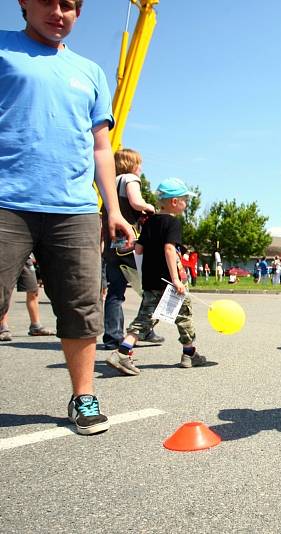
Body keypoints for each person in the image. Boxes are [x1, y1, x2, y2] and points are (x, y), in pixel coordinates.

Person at [0, 0, 136, 435]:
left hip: (74, 209)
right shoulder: (3, 49)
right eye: (49, 2)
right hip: (7, 201)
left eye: (71, 5)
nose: (60, 12)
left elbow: (101, 147)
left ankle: (84, 397)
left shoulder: (91, 71)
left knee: (81, 307)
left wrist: (112, 209)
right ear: (24, 3)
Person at [105, 178, 207, 375]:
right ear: (174, 202)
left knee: (145, 319)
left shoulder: (150, 222)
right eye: (185, 199)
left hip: (151, 280)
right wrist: (176, 279)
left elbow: (139, 249)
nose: (187, 203)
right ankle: (189, 354)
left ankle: (123, 352)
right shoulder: (173, 223)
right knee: (184, 316)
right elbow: (169, 249)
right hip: (170, 281)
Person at [100, 147, 163, 351]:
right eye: (139, 163)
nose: (141, 167)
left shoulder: (109, 185)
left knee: (115, 293)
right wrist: (150, 207)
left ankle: (112, 336)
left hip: (113, 245)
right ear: (131, 164)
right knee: (151, 288)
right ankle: (143, 329)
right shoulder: (129, 179)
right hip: (130, 243)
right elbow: (136, 203)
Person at [0, 256, 56, 341]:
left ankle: (35, 326)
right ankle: (2, 327)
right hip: (8, 254)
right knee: (5, 290)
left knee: (33, 290)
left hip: (26, 257)